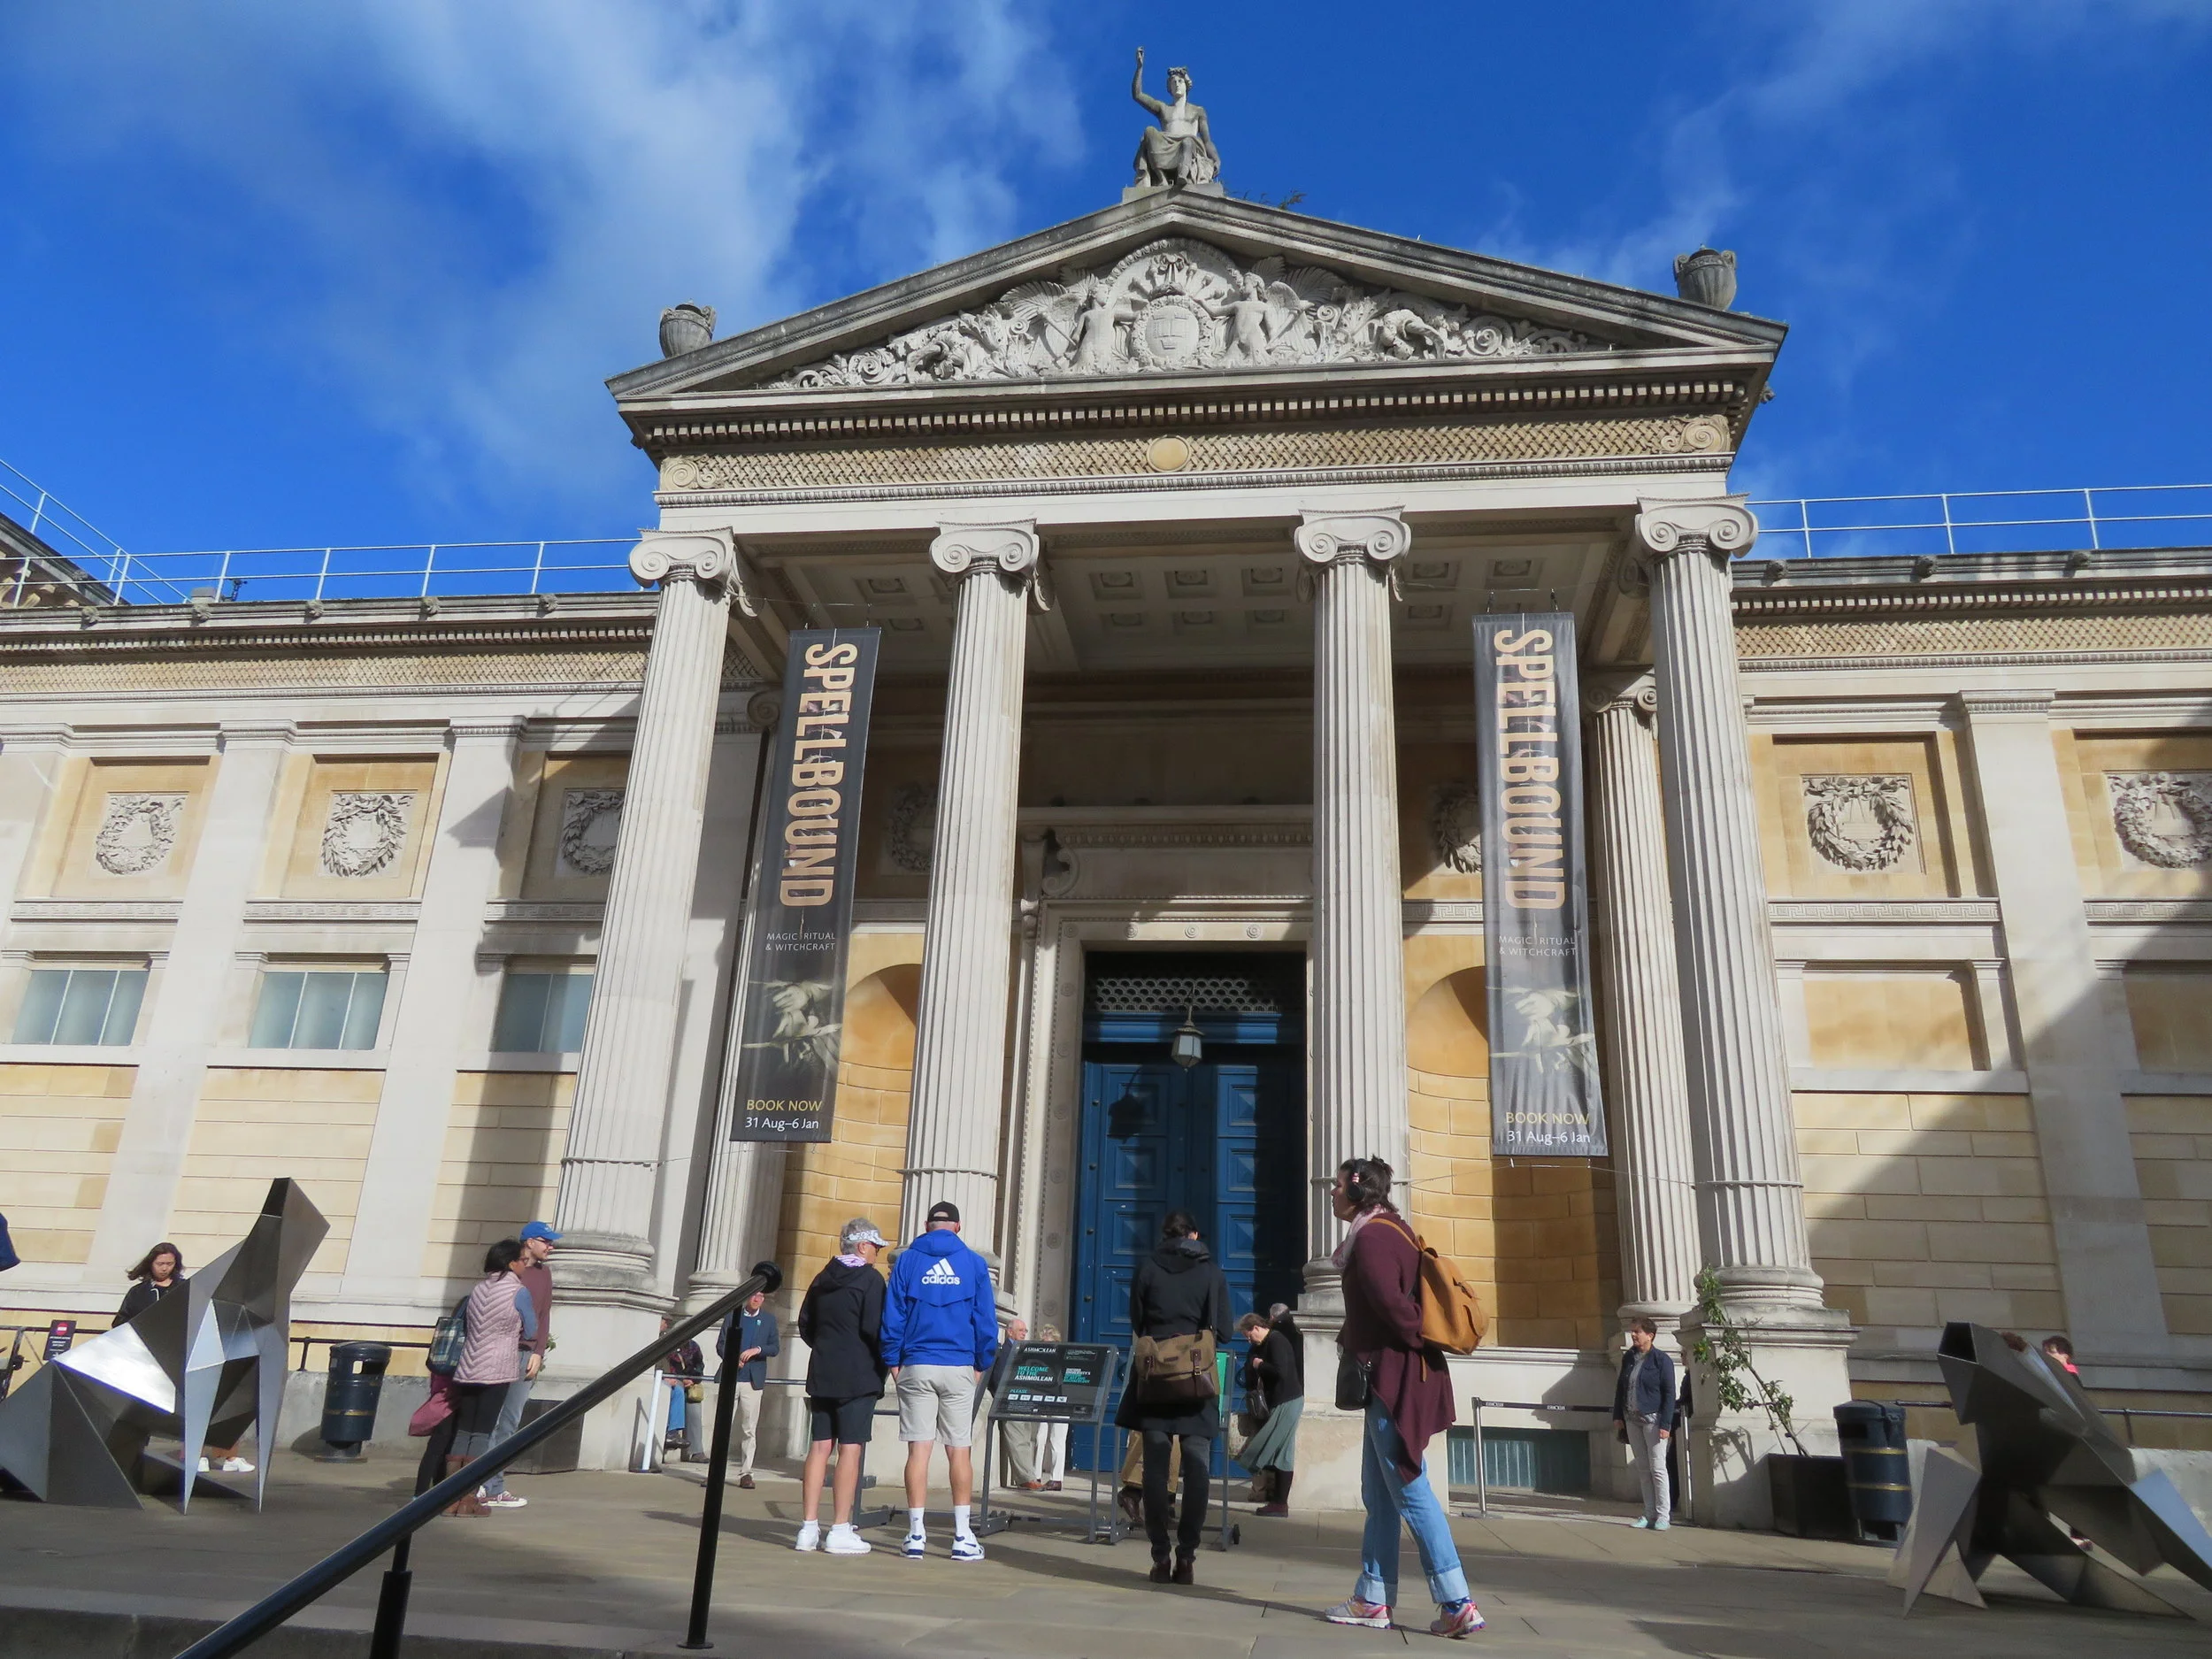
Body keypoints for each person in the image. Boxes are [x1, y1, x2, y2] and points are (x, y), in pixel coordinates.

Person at [1322, 1157, 1484, 1639]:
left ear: (1357, 1191)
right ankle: (1372, 1598)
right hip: (1397, 1376)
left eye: (1336, 1186)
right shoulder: (1394, 1230)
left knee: (1410, 1490)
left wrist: (1419, 1338)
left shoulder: (1371, 1239)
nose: (1330, 1193)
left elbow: (1396, 1308)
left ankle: (1456, 1603)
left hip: (1393, 1381)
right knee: (1381, 1495)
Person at [1117, 1210, 1231, 1586]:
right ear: (1194, 1235)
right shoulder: (1211, 1270)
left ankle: (1159, 1557)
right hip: (1195, 1380)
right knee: (1197, 1467)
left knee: (1154, 1468)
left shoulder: (1147, 1267)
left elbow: (1137, 1321)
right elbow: (1226, 1329)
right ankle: (1187, 1558)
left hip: (1155, 1379)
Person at [880, 1200, 998, 1563]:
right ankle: (962, 1536)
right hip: (958, 1363)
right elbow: (986, 1321)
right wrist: (982, 1362)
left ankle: (916, 1534)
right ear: (958, 1227)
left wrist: (892, 1361)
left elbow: (893, 1315)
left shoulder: (907, 1262)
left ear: (927, 1224)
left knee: (919, 1450)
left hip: (916, 1362)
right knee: (958, 1450)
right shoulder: (974, 1264)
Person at [796, 1218, 890, 1555]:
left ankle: (808, 1527)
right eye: (876, 1247)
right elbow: (875, 1328)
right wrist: (883, 1362)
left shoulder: (821, 1278)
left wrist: (826, 1347)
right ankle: (839, 1527)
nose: (878, 1252)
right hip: (858, 1373)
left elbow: (805, 1323)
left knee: (819, 1447)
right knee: (850, 1449)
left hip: (823, 1371)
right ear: (863, 1246)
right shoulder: (870, 1279)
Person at [120, 1242, 254, 1475]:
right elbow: (121, 1321)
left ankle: (225, 1455)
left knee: (209, 1402)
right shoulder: (139, 1293)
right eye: (160, 1264)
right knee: (146, 1408)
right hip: (150, 1357)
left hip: (186, 1354)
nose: (164, 1268)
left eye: (169, 1264)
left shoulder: (185, 1288)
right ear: (150, 1264)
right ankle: (179, 1453)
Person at [444, 1238, 540, 1517]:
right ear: (511, 1263)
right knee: (483, 1433)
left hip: (468, 1365)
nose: (525, 1265)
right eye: (523, 1261)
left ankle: (449, 1496)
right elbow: (531, 1328)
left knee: (464, 1430)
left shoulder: (479, 1288)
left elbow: (466, 1323)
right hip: (497, 1367)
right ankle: (469, 1497)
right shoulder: (518, 1292)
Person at [478, 1220, 556, 1510]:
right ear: (529, 1242)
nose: (551, 1247)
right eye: (546, 1241)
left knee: (509, 1422)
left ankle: (495, 1485)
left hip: (525, 1354)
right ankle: (476, 1482)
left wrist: (539, 1351)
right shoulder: (507, 1270)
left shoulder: (544, 1274)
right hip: (498, 1351)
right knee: (489, 1420)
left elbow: (544, 1313)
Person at [1612, 1316, 1677, 1532]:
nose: (1633, 1335)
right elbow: (1621, 1387)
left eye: (1637, 1332)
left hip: (1654, 1419)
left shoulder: (1661, 1360)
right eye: (1633, 1331)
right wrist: (1618, 1415)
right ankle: (1648, 1514)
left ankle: (1663, 1515)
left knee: (1658, 1467)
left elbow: (1669, 1393)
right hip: (1632, 1418)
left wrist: (1666, 1424)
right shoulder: (1629, 1358)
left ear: (1650, 1335)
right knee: (1643, 1468)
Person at [1239, 1306, 1305, 1516]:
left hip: (1288, 1401)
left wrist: (1260, 1365)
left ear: (1257, 1327)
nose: (1249, 1341)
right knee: (1283, 1454)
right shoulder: (1262, 1345)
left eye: (1249, 1336)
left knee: (1266, 1446)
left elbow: (1280, 1371)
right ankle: (1279, 1503)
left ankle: (1277, 1499)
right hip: (1281, 1401)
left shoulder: (1277, 1341)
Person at [716, 1286, 780, 1488]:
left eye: (761, 1295)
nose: (757, 1299)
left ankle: (746, 1473)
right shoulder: (733, 1317)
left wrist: (757, 1350)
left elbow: (775, 1348)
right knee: (722, 1426)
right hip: (732, 1378)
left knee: (749, 1429)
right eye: (754, 1295)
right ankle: (716, 1471)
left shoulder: (769, 1320)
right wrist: (733, 1358)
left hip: (753, 1381)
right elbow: (721, 1345)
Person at [990, 1315, 1042, 1489]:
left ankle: (1030, 1475)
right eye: (1021, 1330)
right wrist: (1006, 1397)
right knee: (1018, 1438)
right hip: (1011, 1401)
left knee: (1028, 1438)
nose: (1024, 1333)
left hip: (1025, 1400)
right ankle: (1025, 1478)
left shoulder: (1023, 1350)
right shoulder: (1006, 1351)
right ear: (1009, 1332)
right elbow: (998, 1377)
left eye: (1025, 1331)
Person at [659, 1319, 706, 1461]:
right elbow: (666, 1365)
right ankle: (671, 1435)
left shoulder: (693, 1346)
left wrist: (693, 1380)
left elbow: (699, 1365)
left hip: (690, 1381)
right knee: (677, 1392)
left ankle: (697, 1451)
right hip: (673, 1379)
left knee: (695, 1407)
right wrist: (678, 1378)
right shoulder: (668, 1344)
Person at [1035, 1321, 1069, 1491]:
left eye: (1048, 1343)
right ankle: (1035, 1475)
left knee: (1057, 1440)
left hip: (1061, 1402)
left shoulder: (1063, 1359)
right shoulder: (1036, 1359)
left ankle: (1056, 1479)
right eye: (1042, 1344)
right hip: (1041, 1401)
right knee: (1039, 1438)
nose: (1045, 1347)